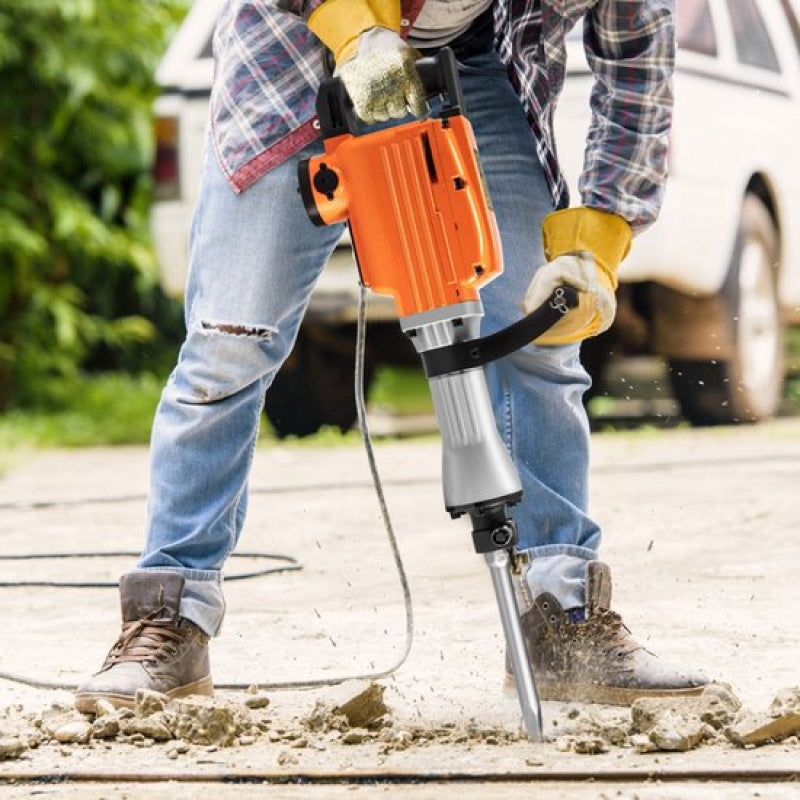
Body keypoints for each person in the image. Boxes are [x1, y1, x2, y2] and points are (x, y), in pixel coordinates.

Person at [76, 0, 708, 713]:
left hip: (469, 61)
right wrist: (349, 24)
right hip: (298, 51)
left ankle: (560, 618)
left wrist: (597, 243)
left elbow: (636, 64)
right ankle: (169, 617)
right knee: (231, 344)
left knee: (541, 334)